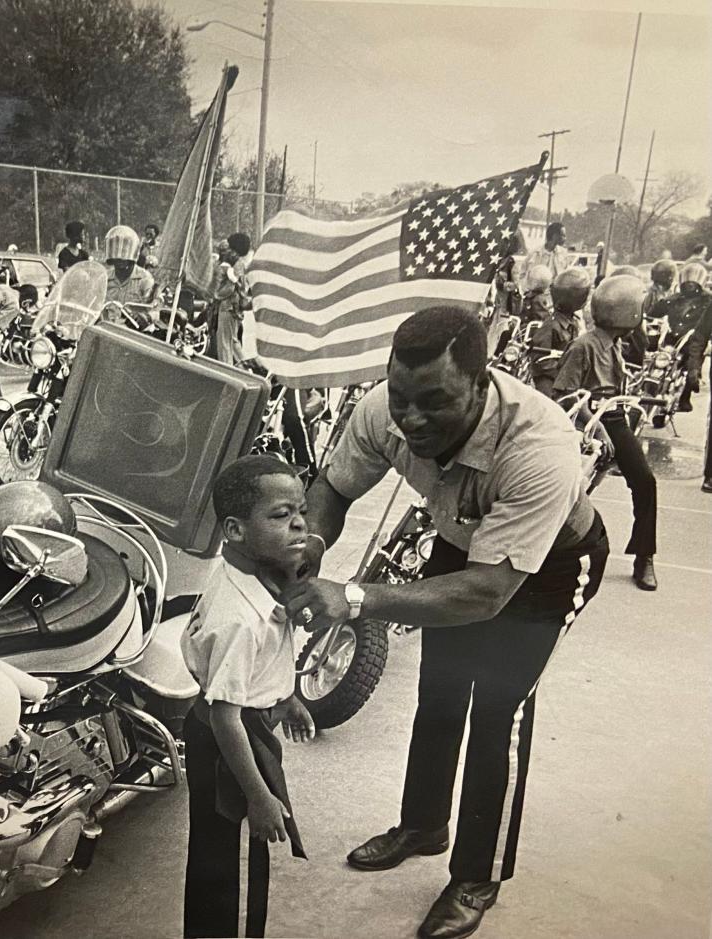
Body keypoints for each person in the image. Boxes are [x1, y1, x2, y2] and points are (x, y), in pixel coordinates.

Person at [284, 306, 609, 939]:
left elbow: (487, 594)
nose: (412, 419)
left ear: (482, 382)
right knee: (438, 694)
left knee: (497, 713)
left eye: (435, 402)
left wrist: (352, 598)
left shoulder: (539, 445)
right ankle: (425, 825)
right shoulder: (386, 407)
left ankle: (476, 876)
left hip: (548, 566)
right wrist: (307, 557)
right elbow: (334, 488)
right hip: (462, 539)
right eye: (402, 398)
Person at [181, 455, 315, 938]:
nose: (300, 522)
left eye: (301, 510)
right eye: (280, 515)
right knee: (232, 860)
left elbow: (264, 662)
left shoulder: (255, 575)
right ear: (235, 530)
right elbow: (225, 718)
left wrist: (288, 696)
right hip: (230, 743)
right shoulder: (239, 618)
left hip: (244, 723)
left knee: (223, 853)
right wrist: (258, 795)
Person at [552, 276, 658, 590]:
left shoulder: (616, 343)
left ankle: (644, 557)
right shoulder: (584, 345)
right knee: (570, 489)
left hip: (614, 418)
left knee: (645, 482)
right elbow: (565, 394)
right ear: (627, 312)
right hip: (589, 422)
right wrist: (594, 425)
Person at [651, 262, 712, 412]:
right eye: (688, 281)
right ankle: (650, 387)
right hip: (672, 336)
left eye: (693, 281)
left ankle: (685, 398)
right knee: (655, 359)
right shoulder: (675, 298)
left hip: (692, 339)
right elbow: (654, 311)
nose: (690, 284)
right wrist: (653, 309)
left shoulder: (707, 300)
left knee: (692, 369)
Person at [530, 266, 590, 398]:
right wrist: (564, 371)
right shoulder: (551, 325)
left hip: (563, 379)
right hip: (547, 380)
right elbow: (540, 360)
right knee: (553, 408)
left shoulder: (573, 322)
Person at [212, 233, 252, 366]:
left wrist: (216, 295)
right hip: (235, 307)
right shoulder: (240, 263)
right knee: (233, 341)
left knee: (223, 342)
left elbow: (230, 288)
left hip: (228, 306)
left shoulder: (235, 265)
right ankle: (247, 367)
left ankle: (227, 371)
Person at [103, 225, 156, 310]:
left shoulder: (144, 279)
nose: (120, 258)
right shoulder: (105, 279)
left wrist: (146, 316)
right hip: (106, 322)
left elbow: (154, 309)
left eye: (124, 252)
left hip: (132, 322)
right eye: (116, 253)